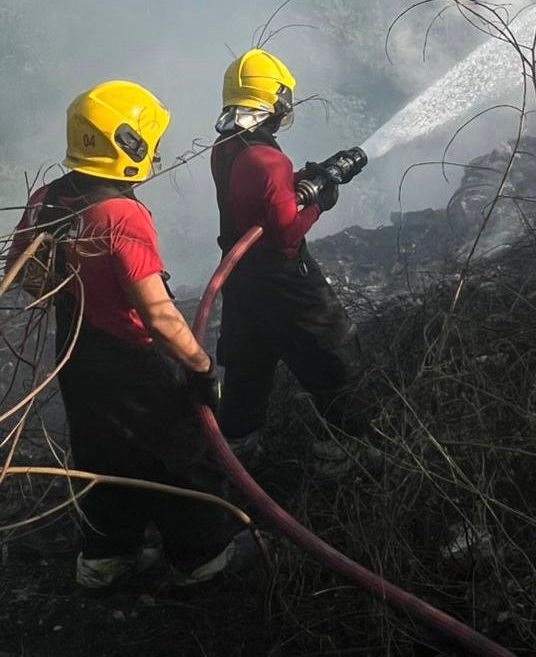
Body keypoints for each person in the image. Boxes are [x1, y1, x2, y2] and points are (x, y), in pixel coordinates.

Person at [7, 81, 254, 591]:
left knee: (101, 454)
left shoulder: (47, 198)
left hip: (77, 356)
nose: (158, 150)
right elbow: (158, 315)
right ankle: (203, 559)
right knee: (178, 455)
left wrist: (75, 277)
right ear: (127, 145)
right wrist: (201, 367)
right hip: (135, 363)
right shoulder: (121, 215)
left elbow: (25, 275)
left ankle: (104, 562)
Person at [210, 49, 370, 475]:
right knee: (335, 350)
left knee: (248, 364)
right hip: (283, 280)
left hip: (240, 280)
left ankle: (238, 454)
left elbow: (254, 201)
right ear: (274, 101)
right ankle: (344, 451)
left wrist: (301, 182)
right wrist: (321, 202)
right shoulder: (267, 159)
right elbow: (284, 234)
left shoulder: (225, 145)